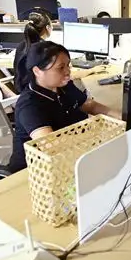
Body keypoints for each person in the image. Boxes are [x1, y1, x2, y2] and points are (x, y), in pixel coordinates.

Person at [9, 41, 114, 173]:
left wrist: (124, 116)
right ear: (37, 71)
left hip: (70, 159)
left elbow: (90, 105)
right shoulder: (29, 105)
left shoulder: (64, 86)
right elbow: (51, 145)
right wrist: (99, 134)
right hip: (35, 172)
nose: (68, 71)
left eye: (68, 65)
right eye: (60, 68)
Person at [13, 12, 52, 92]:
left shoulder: (21, 45)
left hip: (22, 91)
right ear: (47, 27)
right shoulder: (45, 49)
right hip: (36, 94)